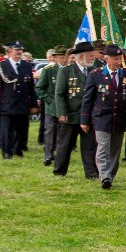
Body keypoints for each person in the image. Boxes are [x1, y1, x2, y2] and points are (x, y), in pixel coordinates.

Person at [79, 43, 126, 188]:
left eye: (120, 59)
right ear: (106, 59)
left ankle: (110, 175)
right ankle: (104, 176)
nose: (118, 62)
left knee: (115, 150)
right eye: (115, 59)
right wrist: (84, 120)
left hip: (120, 118)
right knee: (103, 147)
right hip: (101, 118)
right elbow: (87, 99)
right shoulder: (96, 75)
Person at [51, 42, 98, 179]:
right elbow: (59, 93)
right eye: (90, 56)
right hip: (70, 115)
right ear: (81, 56)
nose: (93, 58)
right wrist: (62, 112)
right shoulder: (66, 71)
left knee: (89, 146)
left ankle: (91, 172)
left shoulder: (94, 71)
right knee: (65, 144)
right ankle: (59, 170)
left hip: (88, 116)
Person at [0, 41, 37, 159]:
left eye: (21, 50)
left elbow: (31, 86)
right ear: (9, 51)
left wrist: (34, 104)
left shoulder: (26, 65)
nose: (19, 52)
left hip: (22, 103)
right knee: (6, 130)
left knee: (21, 129)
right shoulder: (2, 66)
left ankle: (17, 150)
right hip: (7, 103)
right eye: (16, 50)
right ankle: (6, 152)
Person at [35, 47, 62, 166]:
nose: (64, 59)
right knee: (50, 130)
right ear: (55, 58)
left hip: (65, 107)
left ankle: (59, 154)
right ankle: (48, 155)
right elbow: (39, 88)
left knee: (62, 132)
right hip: (52, 106)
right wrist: (50, 101)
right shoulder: (48, 70)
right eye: (61, 57)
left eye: (64, 57)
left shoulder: (70, 70)